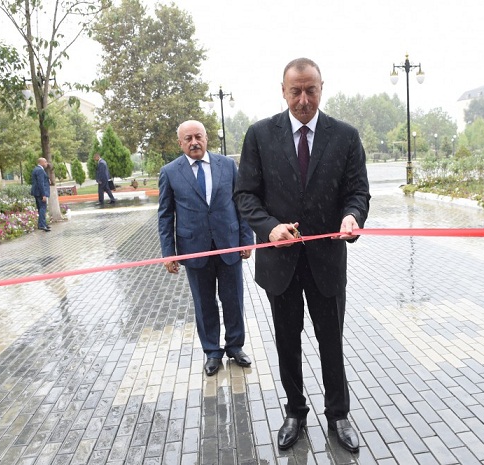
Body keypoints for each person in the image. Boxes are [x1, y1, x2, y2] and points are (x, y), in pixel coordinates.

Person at [234, 57, 370, 452]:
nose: (304, 99)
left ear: (321, 87)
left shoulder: (344, 136)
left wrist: (351, 216)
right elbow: (245, 194)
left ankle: (339, 415)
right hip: (281, 265)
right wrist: (268, 227)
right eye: (296, 91)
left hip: (327, 260)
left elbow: (358, 192)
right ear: (283, 90)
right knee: (286, 343)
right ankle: (295, 411)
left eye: (311, 90)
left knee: (332, 341)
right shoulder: (260, 135)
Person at [158, 120, 254, 377]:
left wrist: (247, 239)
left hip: (229, 243)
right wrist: (169, 252)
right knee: (204, 303)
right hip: (194, 248)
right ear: (180, 143)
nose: (194, 142)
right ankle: (212, 351)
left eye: (198, 136)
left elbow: (242, 203)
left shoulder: (227, 165)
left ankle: (235, 346)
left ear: (206, 138)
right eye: (187, 139)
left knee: (233, 299)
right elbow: (165, 215)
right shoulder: (170, 172)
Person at [30, 157, 50, 232]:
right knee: (42, 208)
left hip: (36, 192)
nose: (46, 163)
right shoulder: (40, 170)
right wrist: (43, 195)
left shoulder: (36, 169)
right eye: (45, 162)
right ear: (41, 162)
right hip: (40, 193)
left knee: (40, 208)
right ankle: (42, 225)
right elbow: (40, 183)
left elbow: (41, 181)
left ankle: (43, 224)